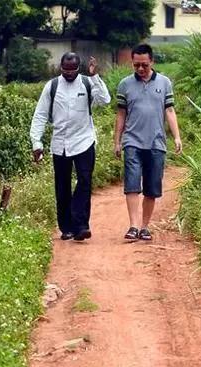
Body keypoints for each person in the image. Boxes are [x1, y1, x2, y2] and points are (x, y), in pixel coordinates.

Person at [30, 53, 111, 241]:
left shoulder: (87, 83)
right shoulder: (52, 86)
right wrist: (37, 142)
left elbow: (105, 100)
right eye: (65, 70)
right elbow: (40, 115)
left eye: (72, 70)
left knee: (84, 181)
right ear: (61, 67)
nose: (68, 73)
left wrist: (95, 76)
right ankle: (66, 227)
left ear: (78, 68)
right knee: (62, 186)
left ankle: (81, 226)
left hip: (84, 140)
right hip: (60, 143)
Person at [114, 43, 182, 242]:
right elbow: (120, 114)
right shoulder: (125, 85)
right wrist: (117, 141)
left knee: (152, 188)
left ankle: (145, 226)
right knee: (132, 185)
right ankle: (133, 226)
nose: (140, 69)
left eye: (144, 65)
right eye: (136, 65)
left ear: (152, 61)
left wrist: (176, 136)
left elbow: (169, 111)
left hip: (156, 143)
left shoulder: (164, 83)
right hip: (132, 142)